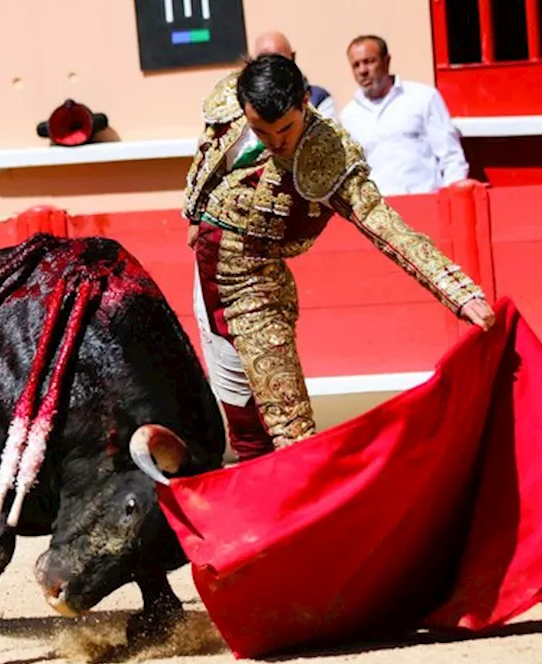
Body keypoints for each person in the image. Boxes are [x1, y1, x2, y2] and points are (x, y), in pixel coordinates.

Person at [182, 53, 496, 460]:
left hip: (256, 290)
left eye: (286, 129)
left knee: (289, 429)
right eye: (262, 131)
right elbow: (208, 155)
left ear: (304, 103)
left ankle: (308, 517)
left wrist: (456, 290)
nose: (276, 142)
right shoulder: (230, 99)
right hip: (205, 279)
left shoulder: (327, 152)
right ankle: (264, 518)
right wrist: (193, 213)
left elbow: (382, 223)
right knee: (241, 422)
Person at [338, 34, 468, 196]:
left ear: (387, 62)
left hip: (425, 203)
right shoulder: (348, 116)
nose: (363, 70)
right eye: (356, 65)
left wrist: (451, 200)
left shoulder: (423, 98)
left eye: (369, 61)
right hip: (379, 213)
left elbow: (451, 157)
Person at [250, 31, 335, 119]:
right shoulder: (245, 106)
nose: (272, 68)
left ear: (293, 57)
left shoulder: (318, 99)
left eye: (279, 60)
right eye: (265, 61)